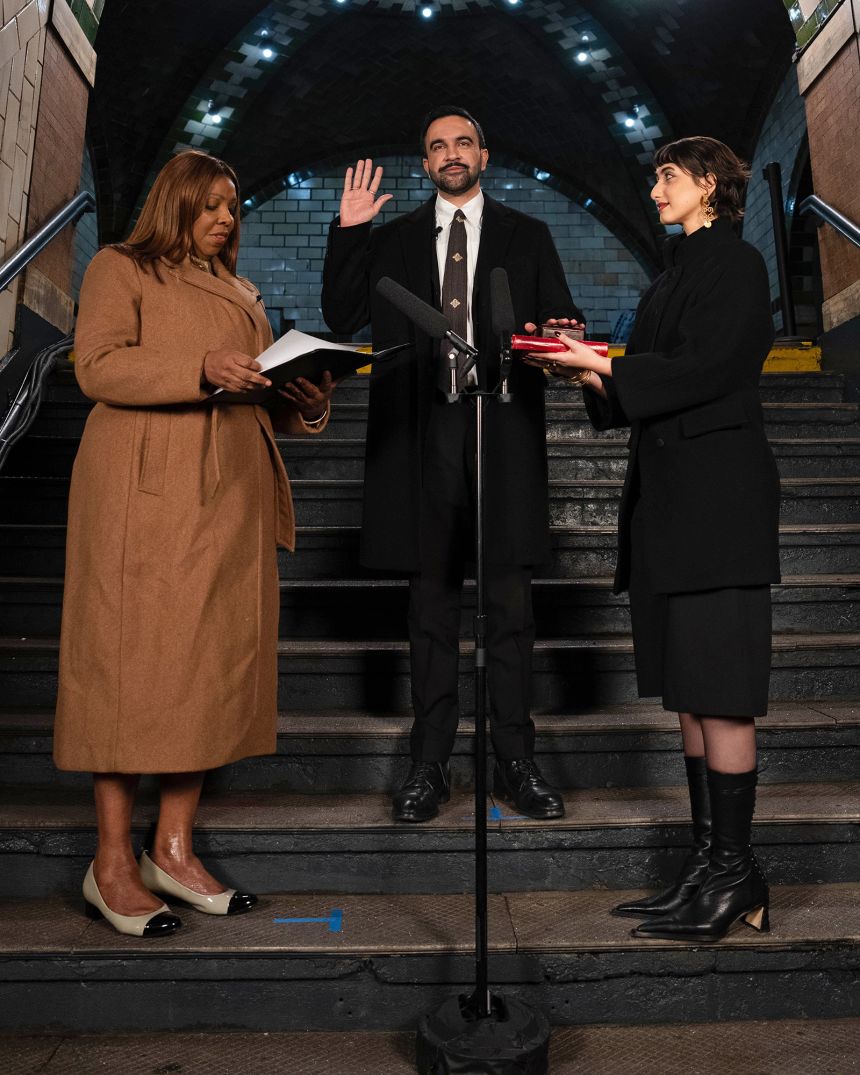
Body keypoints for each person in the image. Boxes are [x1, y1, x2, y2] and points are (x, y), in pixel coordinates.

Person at [54, 150, 335, 936]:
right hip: (145, 497)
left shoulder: (241, 291)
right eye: (210, 204)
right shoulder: (121, 266)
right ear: (175, 201)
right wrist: (201, 366)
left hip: (230, 500)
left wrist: (302, 398)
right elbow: (100, 367)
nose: (224, 218)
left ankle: (172, 848)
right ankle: (111, 860)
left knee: (206, 666)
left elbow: (252, 391)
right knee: (130, 665)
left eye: (233, 207)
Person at [528, 136, 780, 942]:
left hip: (719, 506)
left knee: (723, 691)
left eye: (668, 175)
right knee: (691, 691)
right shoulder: (675, 274)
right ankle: (709, 862)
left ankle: (737, 869)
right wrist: (589, 373)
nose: (655, 186)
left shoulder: (734, 265)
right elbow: (654, 376)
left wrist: (610, 370)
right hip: (674, 508)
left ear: (708, 184)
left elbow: (709, 368)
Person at [322, 106, 585, 823]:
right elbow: (340, 313)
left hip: (500, 433)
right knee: (431, 609)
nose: (451, 153)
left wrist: (561, 334)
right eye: (437, 145)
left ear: (485, 154)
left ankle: (517, 761)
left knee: (508, 610)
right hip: (420, 435)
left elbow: (560, 317)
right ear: (426, 162)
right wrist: (349, 231)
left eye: (462, 141)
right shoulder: (395, 240)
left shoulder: (527, 236)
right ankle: (428, 764)